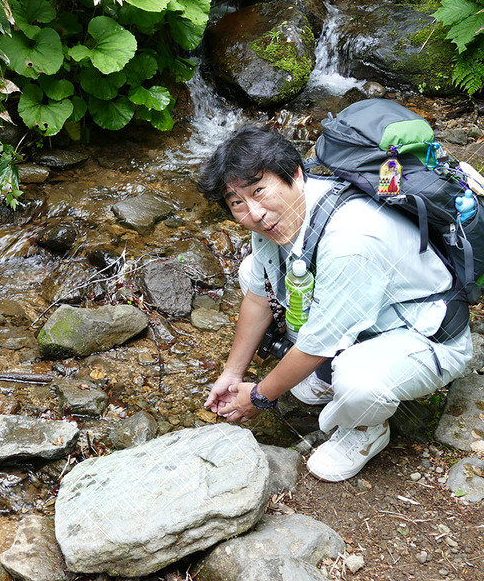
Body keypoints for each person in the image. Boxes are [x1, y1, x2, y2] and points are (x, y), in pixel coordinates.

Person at [198, 125, 472, 482]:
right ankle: (330, 376)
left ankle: (365, 430)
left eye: (258, 191)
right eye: (237, 203)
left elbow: (317, 343)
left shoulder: (350, 239)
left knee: (358, 381)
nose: (255, 213)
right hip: (372, 316)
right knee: (253, 270)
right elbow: (259, 296)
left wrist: (261, 397)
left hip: (426, 334)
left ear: (295, 173)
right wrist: (232, 374)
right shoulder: (280, 216)